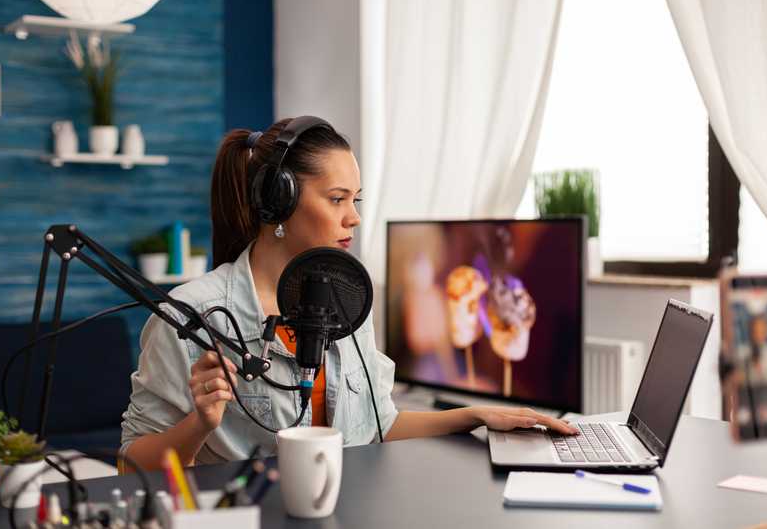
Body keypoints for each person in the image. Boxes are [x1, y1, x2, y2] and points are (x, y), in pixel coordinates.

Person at [120, 116, 578, 471]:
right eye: (337, 199)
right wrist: (200, 423)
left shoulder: (348, 298)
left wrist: (477, 415)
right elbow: (133, 462)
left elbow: (381, 425)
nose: (354, 217)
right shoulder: (193, 315)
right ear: (278, 202)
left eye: (355, 200)